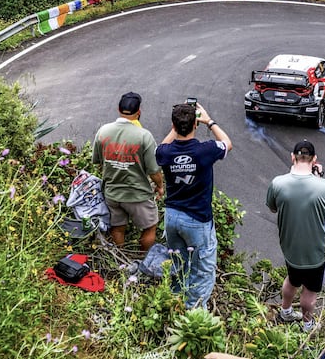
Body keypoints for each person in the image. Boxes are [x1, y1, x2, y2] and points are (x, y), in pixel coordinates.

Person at [156, 102, 232, 309]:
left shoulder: (165, 153)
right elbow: (227, 143)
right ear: (195, 125)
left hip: (172, 216)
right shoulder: (205, 150)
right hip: (197, 220)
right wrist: (209, 121)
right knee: (202, 270)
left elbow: (160, 148)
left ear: (173, 125)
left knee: (178, 263)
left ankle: (174, 302)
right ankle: (194, 311)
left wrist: (176, 128)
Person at [266, 140, 325, 332]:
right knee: (310, 292)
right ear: (314, 160)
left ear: (292, 157)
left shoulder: (277, 183)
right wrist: (319, 177)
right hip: (316, 252)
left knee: (292, 279)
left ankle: (285, 312)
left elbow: (272, 208)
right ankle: (307, 325)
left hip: (290, 248)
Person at [92, 92, 164, 250]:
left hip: (112, 193)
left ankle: (121, 259)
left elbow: (98, 162)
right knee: (150, 227)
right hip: (137, 194)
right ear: (139, 112)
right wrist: (160, 186)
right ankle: (143, 259)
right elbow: (154, 170)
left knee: (117, 227)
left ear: (119, 109)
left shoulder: (103, 131)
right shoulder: (144, 136)